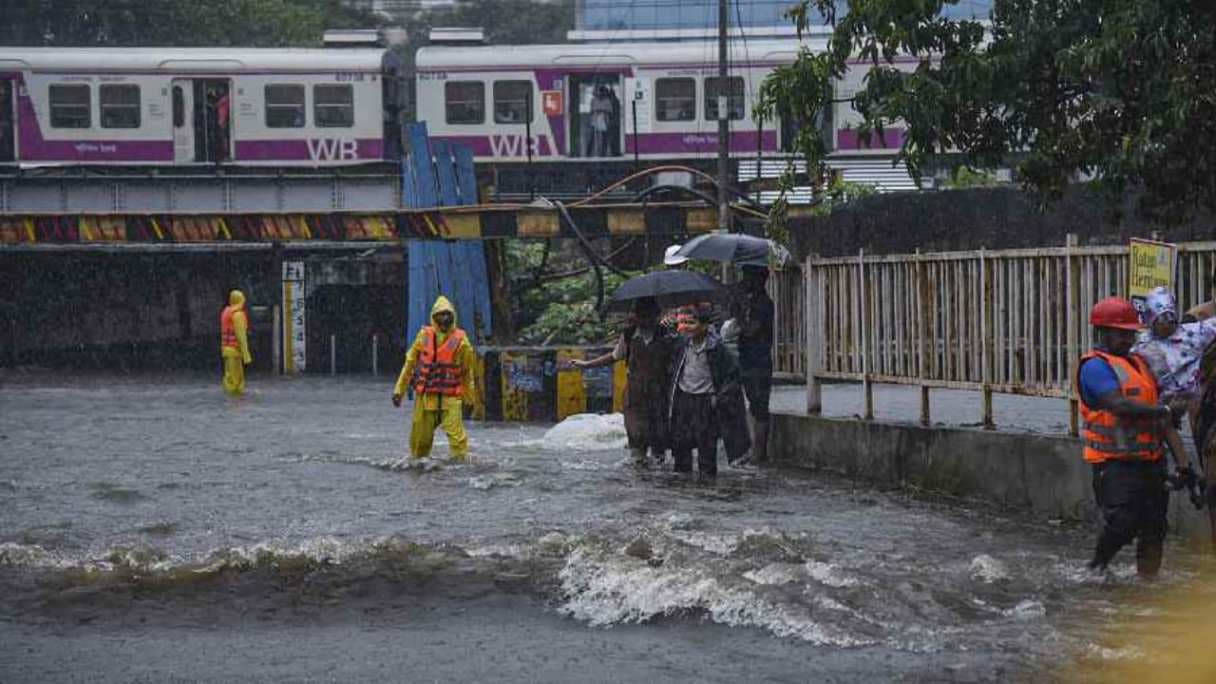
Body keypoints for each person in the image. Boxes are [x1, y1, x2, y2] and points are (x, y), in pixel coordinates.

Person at [1077, 297, 1195, 578]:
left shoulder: (1141, 366)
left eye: (1131, 333)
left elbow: (1164, 422)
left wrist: (1183, 465)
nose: (1127, 339)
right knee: (1123, 523)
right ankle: (1096, 568)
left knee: (1155, 528)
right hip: (1115, 465)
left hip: (1151, 463)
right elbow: (1119, 405)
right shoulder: (1095, 367)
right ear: (1102, 332)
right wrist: (1163, 408)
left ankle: (1147, 583)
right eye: (1121, 333)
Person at [570, 297, 676, 466]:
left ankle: (658, 466)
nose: (644, 320)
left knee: (659, 433)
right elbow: (614, 356)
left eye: (648, 316)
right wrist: (587, 364)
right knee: (636, 432)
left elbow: (676, 362)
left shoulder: (667, 335)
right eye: (640, 315)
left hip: (660, 392)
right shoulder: (629, 334)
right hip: (635, 392)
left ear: (656, 315)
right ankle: (638, 465)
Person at [392, 296, 476, 462]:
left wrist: (470, 398)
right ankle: (420, 472)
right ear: (434, 317)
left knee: (458, 443)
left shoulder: (462, 341)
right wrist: (399, 391)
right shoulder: (423, 336)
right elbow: (409, 364)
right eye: (441, 315)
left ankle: (459, 471)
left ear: (453, 317)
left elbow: (467, 372)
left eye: (448, 315)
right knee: (419, 445)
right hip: (425, 399)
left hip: (451, 399)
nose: (444, 319)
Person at [667, 304, 746, 476]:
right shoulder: (681, 345)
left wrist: (719, 397)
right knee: (681, 445)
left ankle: (707, 486)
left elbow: (732, 376)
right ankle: (682, 485)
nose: (686, 327)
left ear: (704, 326)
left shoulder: (717, 349)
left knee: (706, 447)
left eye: (692, 322)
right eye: (683, 323)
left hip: (706, 402)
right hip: (684, 399)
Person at [1133, 286, 1216, 430]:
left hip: (1196, 399)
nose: (1166, 324)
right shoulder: (1144, 346)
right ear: (1151, 319)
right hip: (1162, 404)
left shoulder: (1192, 334)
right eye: (1161, 320)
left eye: (1170, 319)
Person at [736, 267, 776, 464]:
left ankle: (759, 454)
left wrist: (738, 319)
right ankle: (754, 451)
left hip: (759, 361)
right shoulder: (752, 303)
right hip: (748, 359)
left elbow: (752, 331)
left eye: (749, 277)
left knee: (759, 406)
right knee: (752, 405)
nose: (746, 281)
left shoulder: (764, 305)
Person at [220, 289, 252, 395]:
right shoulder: (238, 315)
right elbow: (241, 335)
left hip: (226, 349)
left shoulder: (226, 312)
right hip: (235, 350)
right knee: (237, 380)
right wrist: (246, 353)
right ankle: (236, 403)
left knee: (229, 376)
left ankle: (229, 397)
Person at [590, 86, 614, 157]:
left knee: (605, 138)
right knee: (594, 138)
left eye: (602, 92)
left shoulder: (607, 101)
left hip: (605, 121)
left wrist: (602, 111)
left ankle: (604, 153)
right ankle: (594, 153)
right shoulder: (593, 100)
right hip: (595, 121)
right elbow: (591, 111)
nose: (600, 94)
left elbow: (610, 112)